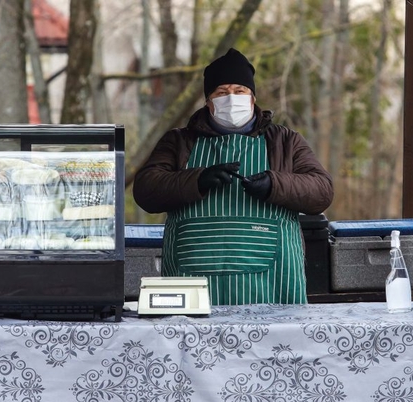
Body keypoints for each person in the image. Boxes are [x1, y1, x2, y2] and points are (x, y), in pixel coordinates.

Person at [133, 48, 334, 306]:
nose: (231, 98)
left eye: (239, 91)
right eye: (221, 92)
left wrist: (275, 184)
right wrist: (197, 180)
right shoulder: (180, 141)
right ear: (208, 101)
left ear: (253, 99)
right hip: (192, 276)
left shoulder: (285, 141)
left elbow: (322, 191)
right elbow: (146, 190)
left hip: (272, 280)